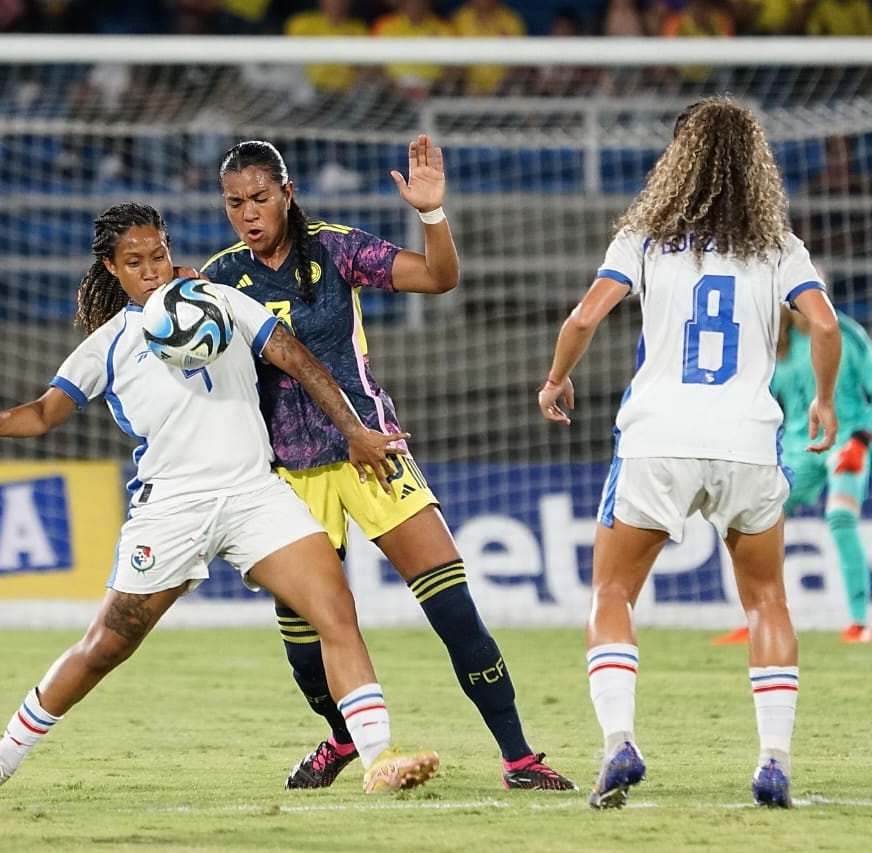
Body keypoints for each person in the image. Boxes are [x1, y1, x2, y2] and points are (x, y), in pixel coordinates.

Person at [0, 202, 440, 800]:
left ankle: (379, 759)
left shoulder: (221, 301)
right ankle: (0, 758)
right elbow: (48, 411)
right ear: (111, 268)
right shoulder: (111, 343)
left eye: (158, 255)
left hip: (255, 493)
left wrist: (355, 430)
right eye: (134, 262)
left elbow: (296, 358)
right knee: (106, 646)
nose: (152, 269)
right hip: (172, 509)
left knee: (335, 608)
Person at [202, 136, 575, 792]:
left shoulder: (337, 249)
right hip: (288, 475)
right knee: (304, 649)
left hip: (371, 453)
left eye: (260, 197)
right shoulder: (220, 278)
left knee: (454, 608)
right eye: (235, 203)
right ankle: (345, 733)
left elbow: (438, 277)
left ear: (288, 194)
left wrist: (432, 215)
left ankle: (518, 756)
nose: (249, 213)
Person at [537, 97, 841, 809]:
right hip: (747, 442)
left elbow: (584, 316)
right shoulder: (780, 249)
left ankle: (618, 742)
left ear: (678, 163)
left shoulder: (643, 238)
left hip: (657, 439)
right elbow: (824, 328)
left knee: (612, 594)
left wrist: (556, 379)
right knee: (768, 598)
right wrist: (822, 401)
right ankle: (773, 759)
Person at [713, 307, 872, 645]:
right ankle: (758, 616)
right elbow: (759, 401)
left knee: (841, 516)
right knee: (751, 516)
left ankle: (861, 622)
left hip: (848, 440)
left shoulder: (845, 334)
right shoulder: (775, 343)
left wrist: (861, 440)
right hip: (800, 447)